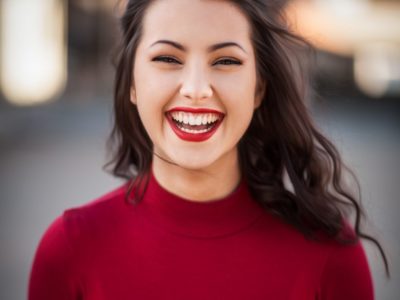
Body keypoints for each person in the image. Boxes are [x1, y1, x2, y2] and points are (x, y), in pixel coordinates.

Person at [28, 0, 389, 299]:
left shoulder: (330, 253)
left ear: (259, 89)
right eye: (167, 58)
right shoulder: (70, 249)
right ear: (132, 84)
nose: (197, 89)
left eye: (226, 61)